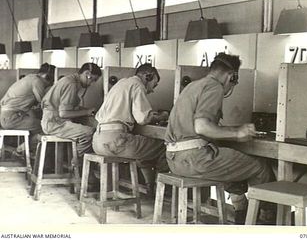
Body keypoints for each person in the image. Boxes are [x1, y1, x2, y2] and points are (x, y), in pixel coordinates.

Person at [164, 53, 276, 225]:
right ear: (232, 76)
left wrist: (232, 130)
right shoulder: (214, 87)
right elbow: (201, 126)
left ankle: (241, 211)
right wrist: (238, 133)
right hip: (195, 159)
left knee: (232, 163)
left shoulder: (193, 86)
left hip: (174, 160)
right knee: (259, 167)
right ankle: (262, 220)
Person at [93, 63, 169, 195]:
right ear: (147, 76)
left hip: (98, 140)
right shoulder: (138, 85)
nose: (152, 90)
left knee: (143, 146)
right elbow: (142, 118)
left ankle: (149, 186)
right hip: (115, 140)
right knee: (163, 147)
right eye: (154, 85)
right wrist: (162, 116)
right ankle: (159, 190)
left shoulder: (122, 83)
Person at [41, 62, 101, 161]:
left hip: (53, 120)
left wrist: (85, 110)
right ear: (87, 74)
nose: (92, 84)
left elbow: (68, 107)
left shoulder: (70, 80)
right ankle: (77, 164)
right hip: (55, 123)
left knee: (92, 126)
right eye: (93, 80)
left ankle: (76, 163)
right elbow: (64, 113)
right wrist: (87, 112)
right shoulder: (71, 84)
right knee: (89, 133)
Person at [0, 63, 56, 155]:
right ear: (47, 76)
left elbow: (28, 107)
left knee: (39, 123)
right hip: (12, 118)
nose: (50, 84)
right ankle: (21, 150)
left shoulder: (30, 78)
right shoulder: (37, 81)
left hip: (8, 117)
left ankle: (27, 149)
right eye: (51, 81)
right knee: (47, 128)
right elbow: (44, 103)